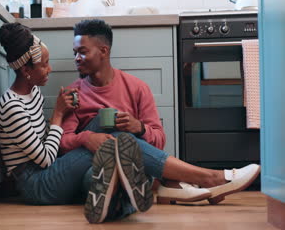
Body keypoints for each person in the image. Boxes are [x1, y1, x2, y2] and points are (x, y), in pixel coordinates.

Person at [59, 19, 261, 222]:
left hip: (133, 168)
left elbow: (159, 139)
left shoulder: (137, 88)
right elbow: (64, 143)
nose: (77, 58)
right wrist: (88, 138)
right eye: (75, 52)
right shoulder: (74, 94)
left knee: (124, 145)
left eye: (82, 52)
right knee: (107, 163)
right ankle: (201, 180)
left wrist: (139, 128)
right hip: (93, 169)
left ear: (103, 51)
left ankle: (171, 187)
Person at [0, 23, 150, 224]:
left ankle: (121, 200)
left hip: (47, 171)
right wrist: (59, 114)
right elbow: (46, 159)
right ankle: (151, 175)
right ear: (26, 70)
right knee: (114, 138)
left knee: (104, 122)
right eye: (44, 64)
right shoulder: (12, 107)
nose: (49, 69)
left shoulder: (33, 93)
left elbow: (44, 145)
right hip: (35, 184)